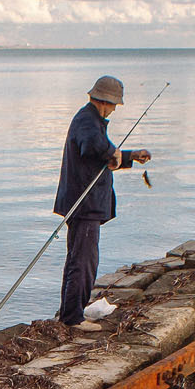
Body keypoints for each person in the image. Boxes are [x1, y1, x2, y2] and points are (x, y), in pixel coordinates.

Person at [52, 75, 150, 330]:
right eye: (115, 105)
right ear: (106, 102)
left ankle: (70, 312)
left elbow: (100, 157)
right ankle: (73, 319)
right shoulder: (87, 121)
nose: (115, 110)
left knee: (80, 259)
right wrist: (113, 153)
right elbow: (93, 147)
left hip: (85, 204)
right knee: (83, 261)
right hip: (83, 205)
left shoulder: (91, 121)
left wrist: (129, 156)